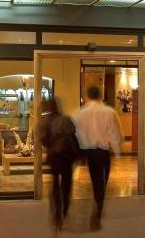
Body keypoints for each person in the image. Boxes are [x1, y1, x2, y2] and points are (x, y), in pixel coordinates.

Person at [73, 85, 123, 231]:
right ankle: (97, 213)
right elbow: (114, 133)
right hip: (103, 152)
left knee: (96, 179)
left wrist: (80, 152)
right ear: (100, 96)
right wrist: (117, 151)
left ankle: (96, 204)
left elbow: (75, 133)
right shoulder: (108, 112)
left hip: (88, 152)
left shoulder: (79, 113)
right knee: (102, 181)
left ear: (87, 96)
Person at [38, 98, 80, 232]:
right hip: (66, 157)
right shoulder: (67, 120)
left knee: (55, 184)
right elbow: (75, 136)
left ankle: (57, 214)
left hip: (54, 157)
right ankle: (64, 211)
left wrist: (52, 145)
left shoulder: (44, 122)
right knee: (66, 185)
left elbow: (43, 140)